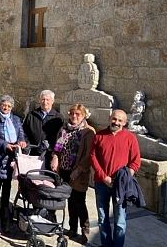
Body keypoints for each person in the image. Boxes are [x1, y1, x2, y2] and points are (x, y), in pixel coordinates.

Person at [90, 109, 141, 247]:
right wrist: (105, 177)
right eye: (114, 119)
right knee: (102, 218)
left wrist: (123, 179)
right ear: (109, 118)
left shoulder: (130, 138)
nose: (116, 122)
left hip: (120, 187)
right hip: (101, 183)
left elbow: (135, 162)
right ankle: (106, 244)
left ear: (124, 123)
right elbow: (93, 157)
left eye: (120, 120)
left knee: (120, 221)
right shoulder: (99, 136)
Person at [50, 104, 95, 244]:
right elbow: (57, 147)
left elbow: (89, 155)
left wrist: (79, 170)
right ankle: (72, 228)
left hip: (78, 172)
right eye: (71, 113)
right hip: (64, 170)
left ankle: (85, 231)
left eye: (77, 114)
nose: (74, 116)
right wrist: (55, 158)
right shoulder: (64, 128)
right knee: (70, 201)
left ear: (83, 115)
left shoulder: (88, 132)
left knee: (79, 202)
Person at [0, 95, 26, 231]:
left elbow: (21, 133)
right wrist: (5, 145)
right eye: (4, 105)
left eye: (9, 106)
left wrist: (21, 141)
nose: (6, 108)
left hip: (12, 156)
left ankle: (5, 207)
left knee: (8, 183)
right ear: (0, 105)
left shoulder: (16, 119)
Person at [22, 89, 65, 159]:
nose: (45, 102)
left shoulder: (58, 118)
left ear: (52, 101)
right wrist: (27, 144)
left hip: (49, 155)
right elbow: (24, 132)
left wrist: (50, 146)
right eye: (43, 99)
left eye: (47, 100)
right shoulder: (32, 115)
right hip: (33, 153)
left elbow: (60, 136)